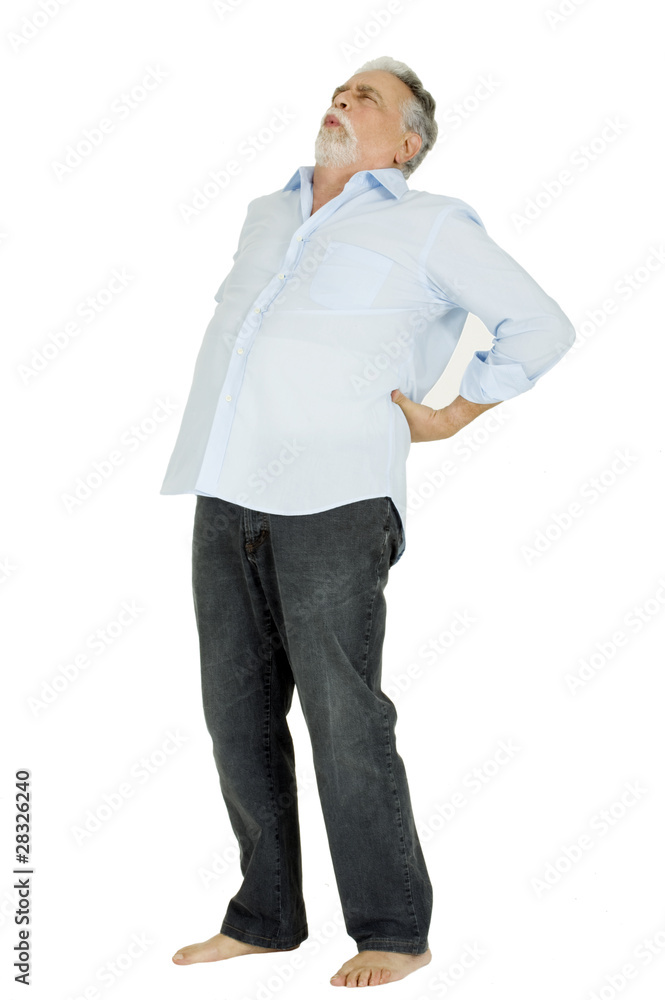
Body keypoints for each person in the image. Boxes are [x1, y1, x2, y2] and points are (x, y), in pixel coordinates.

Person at [163, 56, 576, 988]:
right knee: (235, 714)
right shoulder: (267, 213)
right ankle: (263, 919)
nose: (342, 102)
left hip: (337, 498)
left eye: (369, 99)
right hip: (226, 489)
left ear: (406, 144)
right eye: (339, 92)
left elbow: (540, 324)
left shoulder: (431, 223)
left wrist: (453, 412)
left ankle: (392, 930)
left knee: (344, 717)